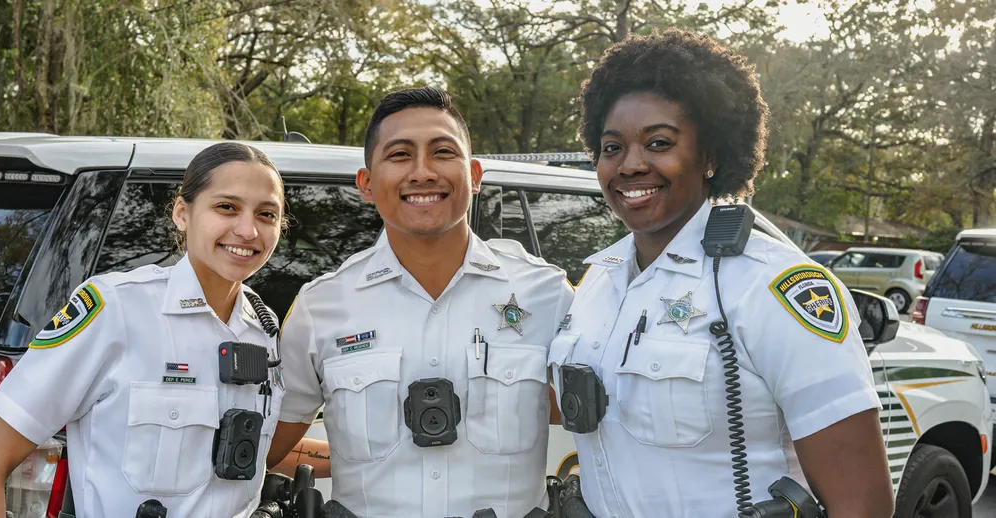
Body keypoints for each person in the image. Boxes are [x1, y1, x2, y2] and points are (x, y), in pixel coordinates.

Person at [551, 29, 894, 517]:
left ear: (710, 156)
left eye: (659, 143)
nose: (631, 165)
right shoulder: (598, 283)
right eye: (612, 148)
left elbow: (862, 504)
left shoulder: (773, 286)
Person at [0, 142, 321, 518]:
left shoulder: (262, 330)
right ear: (182, 213)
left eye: (266, 214)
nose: (247, 230)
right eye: (226, 207)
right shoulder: (116, 308)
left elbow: (257, 450)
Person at [267, 86, 574, 518]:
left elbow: (611, 425)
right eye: (399, 155)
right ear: (367, 183)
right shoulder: (321, 306)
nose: (423, 172)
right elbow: (264, 446)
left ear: (475, 175)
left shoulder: (546, 294)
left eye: (443, 152)